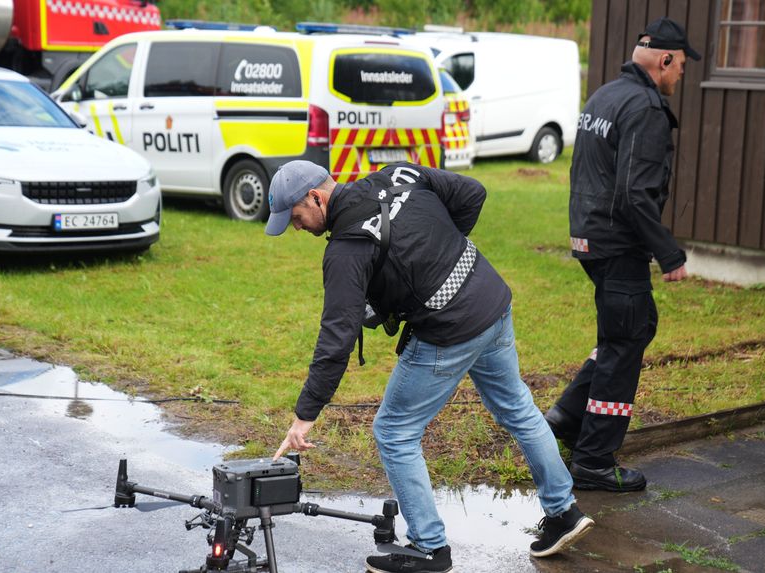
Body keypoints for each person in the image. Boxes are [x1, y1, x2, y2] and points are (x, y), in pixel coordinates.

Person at [266, 160, 594, 572]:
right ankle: (564, 513)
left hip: (449, 331)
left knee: (394, 432)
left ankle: (428, 548)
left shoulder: (347, 249)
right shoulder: (396, 175)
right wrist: (441, 254)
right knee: (518, 407)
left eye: (296, 218)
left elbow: (337, 338)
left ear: (316, 197)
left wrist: (305, 415)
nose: (297, 228)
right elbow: (472, 192)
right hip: (491, 302)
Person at [545, 17, 700, 492]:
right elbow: (635, 192)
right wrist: (668, 253)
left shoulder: (605, 96)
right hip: (618, 242)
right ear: (665, 59)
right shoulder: (646, 108)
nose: (681, 75)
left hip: (591, 237)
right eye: (681, 66)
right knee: (626, 340)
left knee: (631, 328)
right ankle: (593, 460)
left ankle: (567, 416)